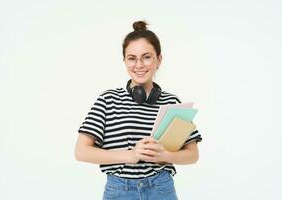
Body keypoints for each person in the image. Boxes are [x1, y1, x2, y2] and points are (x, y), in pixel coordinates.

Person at [75, 20, 202, 200]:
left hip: (161, 188)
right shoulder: (108, 99)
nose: (139, 65)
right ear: (125, 61)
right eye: (132, 58)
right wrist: (131, 155)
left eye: (147, 57)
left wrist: (163, 155)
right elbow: (81, 151)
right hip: (119, 189)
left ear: (159, 60)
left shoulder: (172, 103)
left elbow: (193, 155)